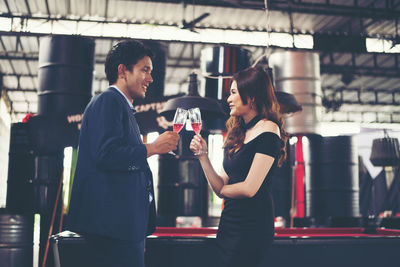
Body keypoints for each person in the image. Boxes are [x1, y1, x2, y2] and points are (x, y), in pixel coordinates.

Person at [68, 40, 179, 267]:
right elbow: (106, 155)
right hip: (111, 229)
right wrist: (153, 148)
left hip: (122, 227)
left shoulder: (123, 106)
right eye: (144, 70)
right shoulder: (108, 101)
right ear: (122, 70)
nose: (151, 78)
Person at [190, 66, 288, 267]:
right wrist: (203, 157)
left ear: (251, 97)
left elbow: (249, 188)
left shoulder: (269, 129)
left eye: (233, 92)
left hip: (253, 226)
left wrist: (224, 191)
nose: (228, 99)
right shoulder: (237, 133)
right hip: (229, 223)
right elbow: (220, 187)